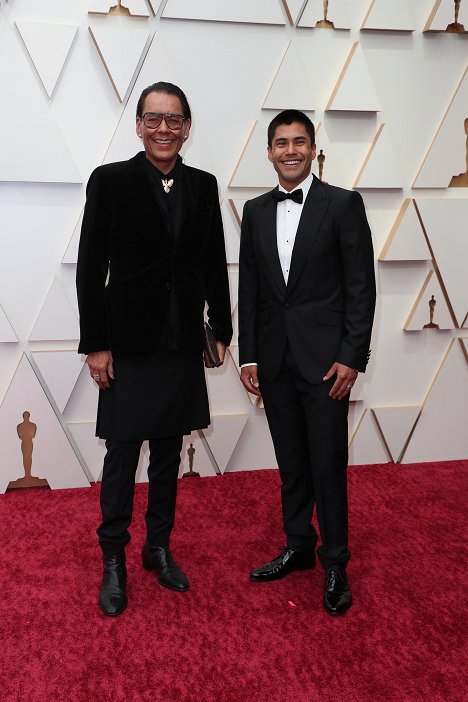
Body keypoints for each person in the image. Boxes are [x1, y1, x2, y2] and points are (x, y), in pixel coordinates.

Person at [76, 82, 232, 617]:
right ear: (139, 125)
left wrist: (222, 328)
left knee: (168, 453)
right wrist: (96, 343)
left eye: (174, 120)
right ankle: (113, 557)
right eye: (153, 118)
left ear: (187, 128)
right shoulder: (111, 181)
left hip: (181, 340)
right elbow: (91, 265)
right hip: (128, 343)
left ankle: (158, 547)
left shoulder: (204, 185)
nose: (163, 128)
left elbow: (213, 261)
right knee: (122, 453)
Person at [238, 109, 375, 615]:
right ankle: (298, 545)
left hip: (325, 365)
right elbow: (248, 290)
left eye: (299, 141)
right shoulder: (253, 211)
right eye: (281, 142)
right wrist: (249, 355)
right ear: (269, 152)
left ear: (314, 149)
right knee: (291, 463)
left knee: (327, 465)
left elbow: (361, 286)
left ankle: (334, 559)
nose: (290, 150)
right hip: (274, 362)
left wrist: (351, 356)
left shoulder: (343, 204)